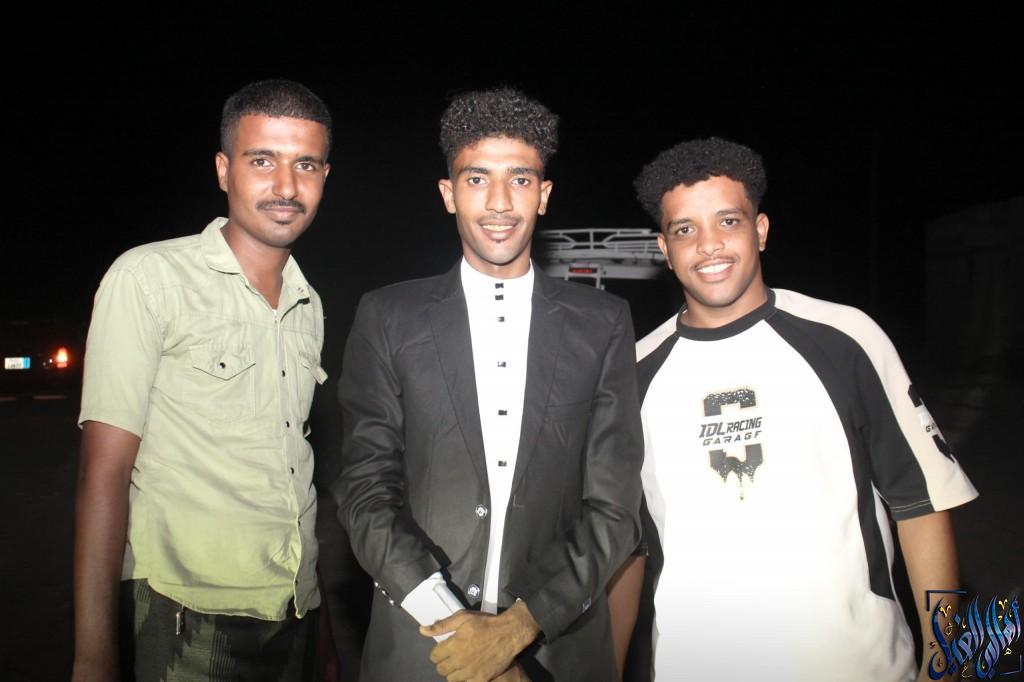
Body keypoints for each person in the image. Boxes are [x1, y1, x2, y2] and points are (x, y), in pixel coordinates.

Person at [620, 136, 979, 680]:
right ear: (664, 249)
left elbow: (921, 503)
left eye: (728, 221)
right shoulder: (632, 374)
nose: (709, 245)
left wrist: (945, 657)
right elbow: (629, 546)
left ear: (761, 230)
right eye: (685, 230)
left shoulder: (846, 338)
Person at [332, 87, 644, 681]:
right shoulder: (388, 316)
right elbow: (365, 490)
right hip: (422, 648)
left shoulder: (603, 323)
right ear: (448, 193)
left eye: (520, 179)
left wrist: (517, 630)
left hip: (557, 653)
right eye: (477, 179)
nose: (500, 202)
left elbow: (615, 508)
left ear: (543, 194)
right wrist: (461, 634)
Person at [72, 79, 339, 681]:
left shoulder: (308, 303)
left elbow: (292, 475)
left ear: (324, 176)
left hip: (293, 613)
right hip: (183, 618)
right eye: (262, 160)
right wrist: (93, 656)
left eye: (305, 164)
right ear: (224, 170)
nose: (286, 186)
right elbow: (102, 474)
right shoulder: (148, 279)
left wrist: (321, 639)